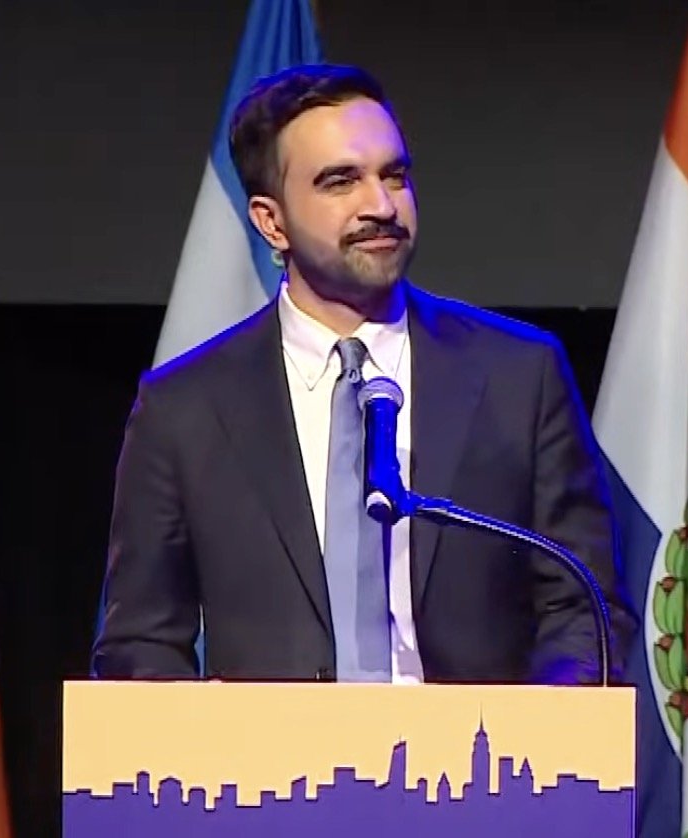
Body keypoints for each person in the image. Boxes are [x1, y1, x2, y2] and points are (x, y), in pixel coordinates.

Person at [93, 64, 633, 686]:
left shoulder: (519, 376)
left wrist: (535, 735)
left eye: (394, 175)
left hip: (476, 774)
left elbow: (583, 609)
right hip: (269, 776)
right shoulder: (185, 409)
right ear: (272, 222)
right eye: (340, 181)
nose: (381, 206)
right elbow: (140, 644)